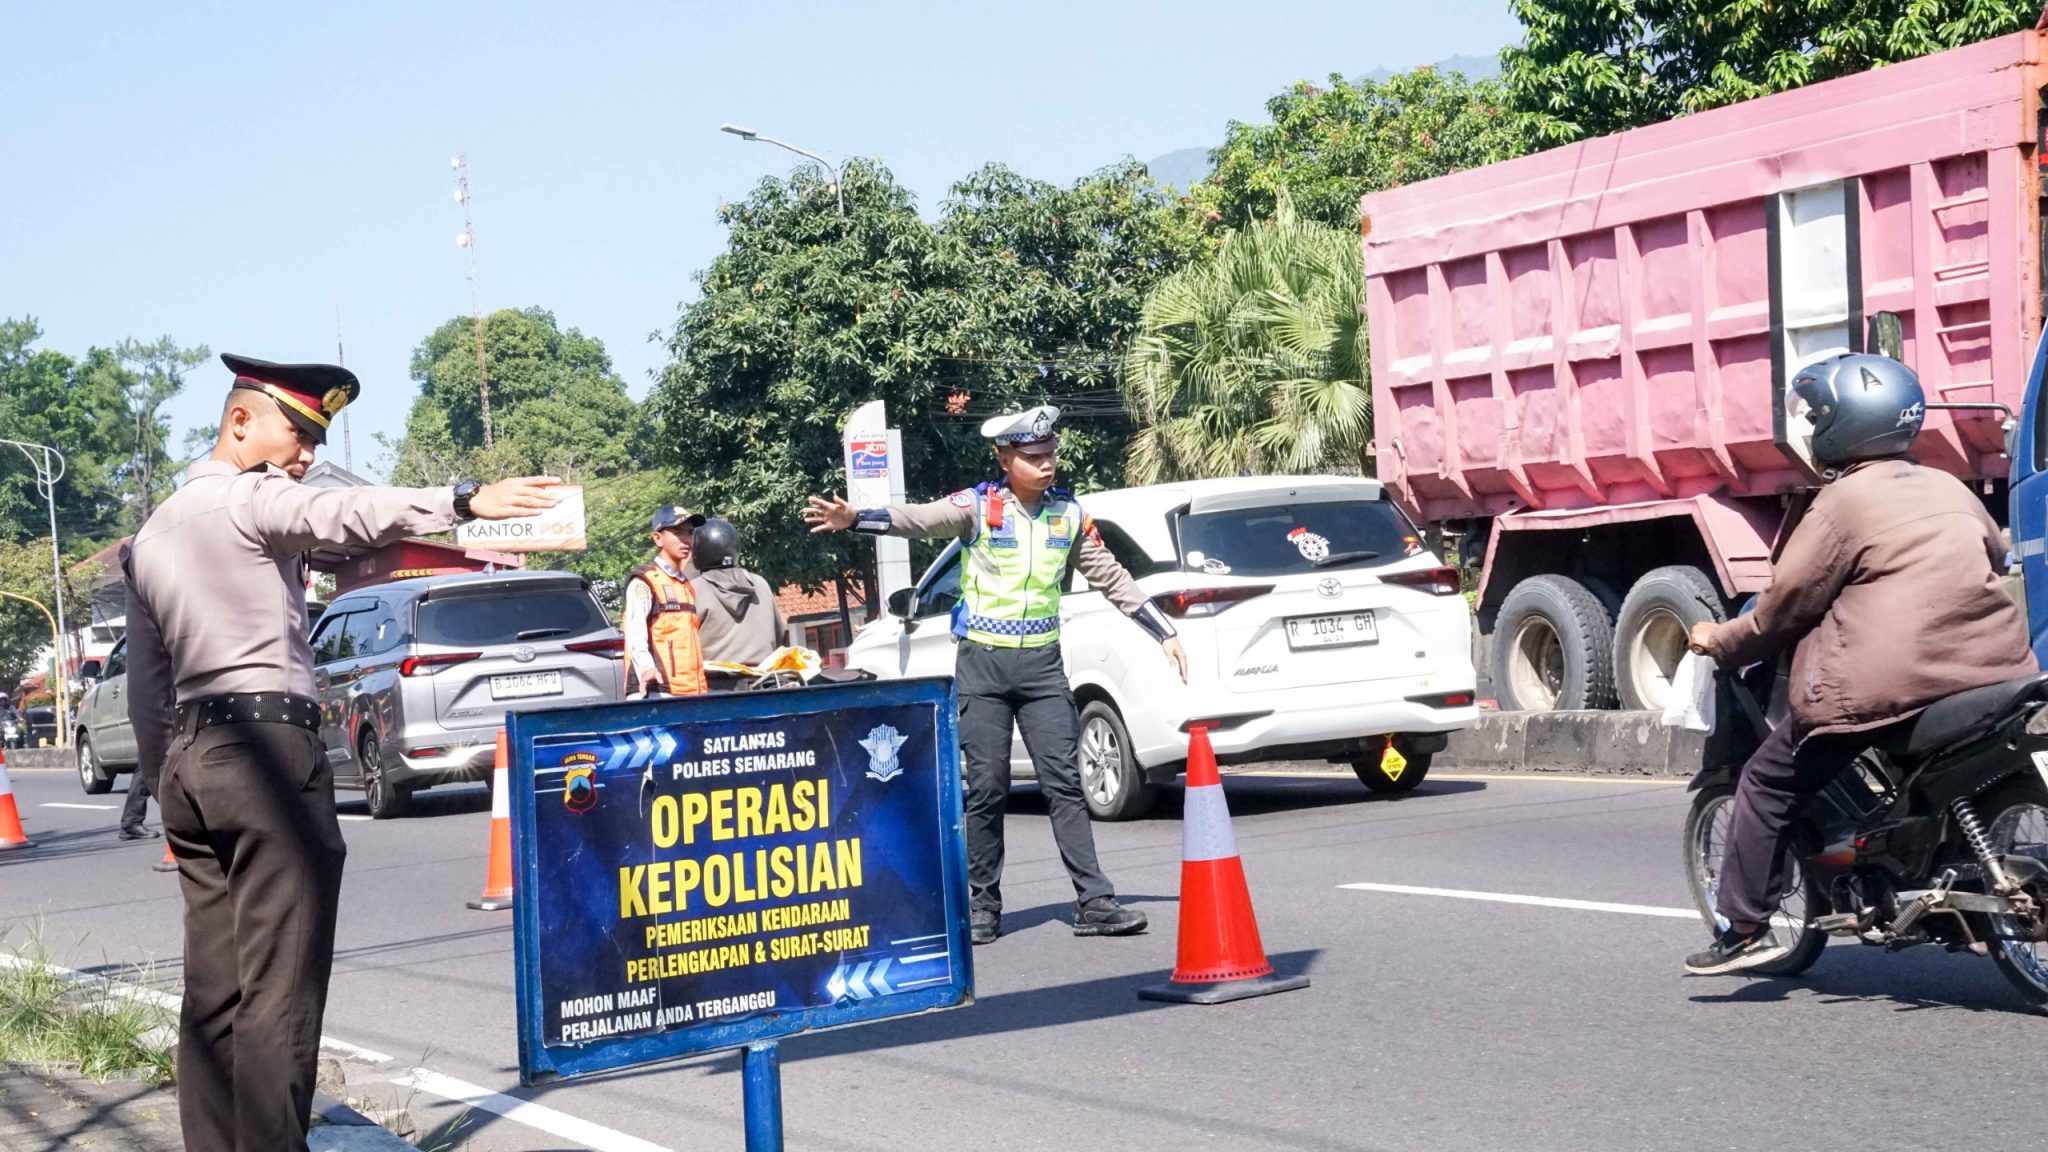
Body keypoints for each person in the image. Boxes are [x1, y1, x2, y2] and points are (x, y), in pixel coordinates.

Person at [124, 353, 561, 1152]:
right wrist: (463, 500)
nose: (304, 461)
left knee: (212, 993)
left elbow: (147, 687)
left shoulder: (151, 533)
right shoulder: (252, 499)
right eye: (296, 437)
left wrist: (168, 784)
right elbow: (349, 516)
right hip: (263, 751)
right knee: (280, 986)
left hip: (190, 759)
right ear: (240, 423)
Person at [1682, 352, 2037, 976]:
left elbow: (1783, 611)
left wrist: (1721, 641)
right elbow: (1995, 555)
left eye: (1815, 416)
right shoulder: (1948, 485)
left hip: (1892, 689)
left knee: (1767, 781)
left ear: (1838, 426)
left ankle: (1743, 928)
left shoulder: (1841, 503)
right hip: (1996, 673)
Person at [803, 404, 1188, 945]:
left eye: (1051, 454)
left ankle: (1095, 902)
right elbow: (920, 519)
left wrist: (1162, 630)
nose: (1047, 464)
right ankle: (982, 907)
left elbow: (1112, 576)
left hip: (1043, 666)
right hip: (983, 663)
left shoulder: (1069, 516)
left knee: (1066, 783)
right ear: (1006, 459)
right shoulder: (977, 508)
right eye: (1033, 457)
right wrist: (858, 518)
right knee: (986, 787)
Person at [687, 517, 787, 689]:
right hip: (765, 684)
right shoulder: (759, 584)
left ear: (697, 552)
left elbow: (684, 647)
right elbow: (780, 636)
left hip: (716, 689)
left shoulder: (693, 590)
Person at [622, 505, 709, 698]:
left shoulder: (686, 584)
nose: (686, 539)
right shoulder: (644, 580)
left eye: (690, 533)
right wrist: (646, 668)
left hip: (690, 692)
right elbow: (635, 631)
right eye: (678, 533)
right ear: (658, 538)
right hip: (656, 690)